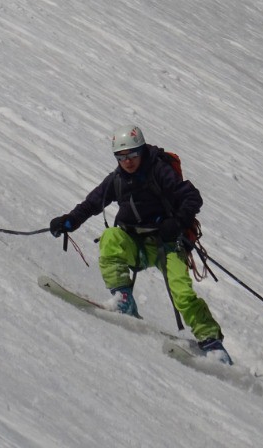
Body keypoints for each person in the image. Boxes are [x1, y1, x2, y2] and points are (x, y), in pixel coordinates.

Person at [49, 125, 232, 364]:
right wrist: (69, 221)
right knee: (110, 238)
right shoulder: (117, 180)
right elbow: (92, 203)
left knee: (182, 293)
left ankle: (213, 343)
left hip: (169, 245)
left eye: (132, 154)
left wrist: (177, 222)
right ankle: (124, 300)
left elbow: (192, 197)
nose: (127, 161)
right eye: (121, 156)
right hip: (137, 245)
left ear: (142, 150)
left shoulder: (159, 171)